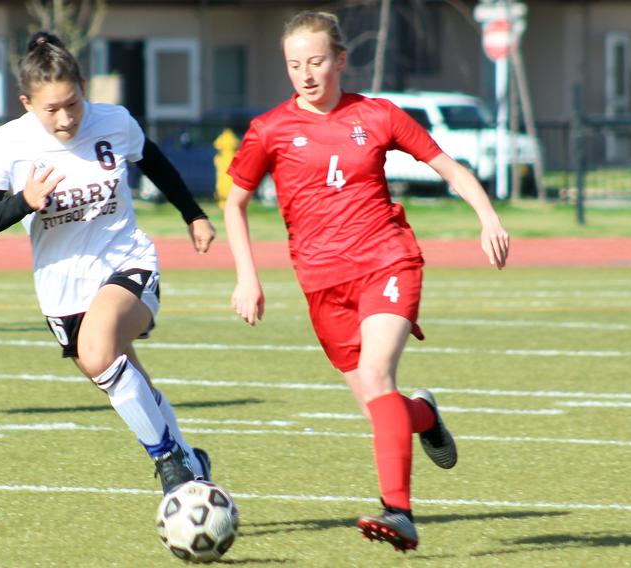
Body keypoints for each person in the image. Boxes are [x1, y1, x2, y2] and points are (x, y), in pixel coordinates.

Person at [224, 11, 510, 552]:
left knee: (378, 376)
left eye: (315, 61)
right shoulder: (270, 129)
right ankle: (424, 416)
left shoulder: (377, 115)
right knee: (382, 408)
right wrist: (247, 276)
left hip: (387, 261)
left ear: (339, 60)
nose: (305, 74)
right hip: (321, 285)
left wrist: (488, 217)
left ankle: (398, 512)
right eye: (293, 65)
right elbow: (235, 204)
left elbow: (450, 167)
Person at [0, 31, 217, 493]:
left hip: (126, 259)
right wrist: (25, 200)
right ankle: (189, 461)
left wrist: (194, 214)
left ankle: (168, 465)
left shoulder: (114, 121)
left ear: (84, 88)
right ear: (26, 102)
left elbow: (155, 163)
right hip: (61, 288)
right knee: (120, 375)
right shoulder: (7, 144)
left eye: (73, 103)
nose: (66, 118)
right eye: (51, 109)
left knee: (100, 350)